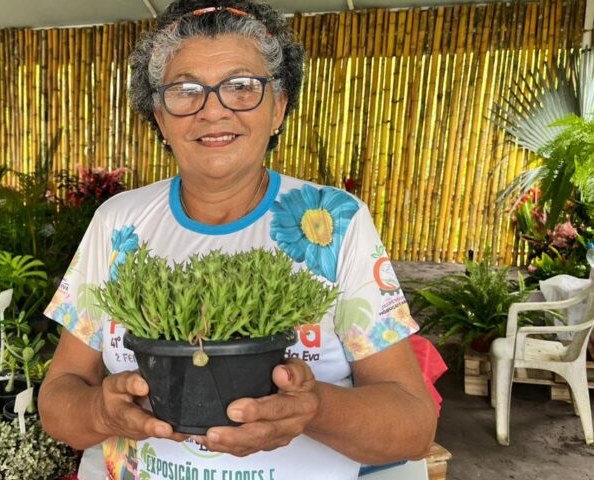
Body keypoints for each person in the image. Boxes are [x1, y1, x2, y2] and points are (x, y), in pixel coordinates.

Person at [38, 1, 437, 479]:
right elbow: (59, 399)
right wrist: (101, 412)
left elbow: (414, 429)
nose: (213, 110)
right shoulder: (117, 222)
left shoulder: (334, 222)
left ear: (279, 108)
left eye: (241, 87)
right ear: (161, 119)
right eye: (185, 91)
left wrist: (314, 408)